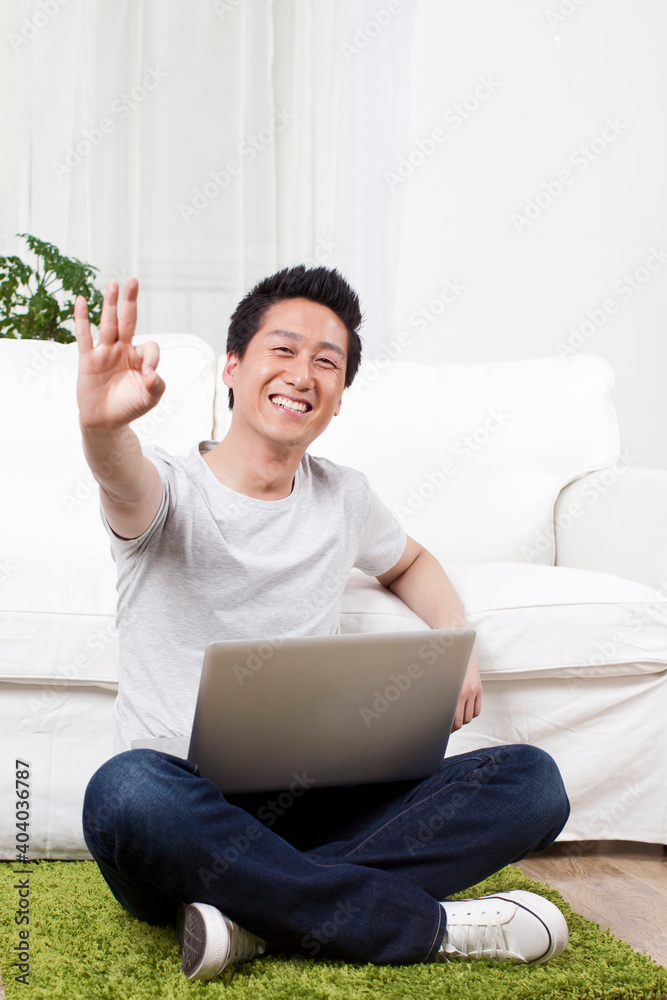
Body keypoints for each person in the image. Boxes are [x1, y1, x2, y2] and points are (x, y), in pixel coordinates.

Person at [77, 266, 570, 981]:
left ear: (338, 398)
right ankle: (415, 926)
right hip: (182, 820)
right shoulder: (167, 488)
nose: (302, 374)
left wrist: (451, 640)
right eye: (282, 350)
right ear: (233, 367)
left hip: (308, 803)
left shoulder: (344, 496)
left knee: (531, 781)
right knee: (124, 792)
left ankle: (254, 915)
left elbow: (412, 562)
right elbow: (121, 479)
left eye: (325, 361)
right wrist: (102, 428)